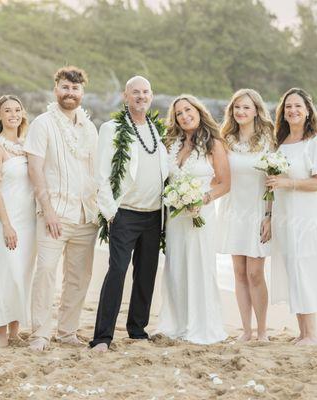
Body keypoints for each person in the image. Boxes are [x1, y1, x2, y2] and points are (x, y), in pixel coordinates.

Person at [90, 76, 168, 352]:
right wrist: (110, 212)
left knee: (146, 274)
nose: (141, 96)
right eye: (135, 92)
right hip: (124, 213)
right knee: (117, 271)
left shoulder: (157, 130)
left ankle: (137, 329)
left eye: (145, 92)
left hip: (153, 214)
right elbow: (101, 173)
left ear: (151, 95)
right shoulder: (112, 128)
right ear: (125, 96)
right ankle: (102, 337)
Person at [24, 66, 99, 351]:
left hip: (85, 215)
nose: (70, 93)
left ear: (82, 92)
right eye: (65, 88)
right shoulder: (43, 124)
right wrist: (48, 210)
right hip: (54, 213)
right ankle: (40, 334)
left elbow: (95, 171)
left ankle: (67, 332)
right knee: (45, 271)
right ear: (56, 89)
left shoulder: (89, 127)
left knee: (79, 278)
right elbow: (35, 169)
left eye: (75, 89)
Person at [266, 88, 317, 346]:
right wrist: (268, 216)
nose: (293, 111)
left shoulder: (314, 142)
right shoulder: (280, 143)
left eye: (298, 106)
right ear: (282, 112)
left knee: (305, 271)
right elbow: (271, 184)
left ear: (308, 111)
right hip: (284, 217)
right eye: (288, 107)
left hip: (306, 219)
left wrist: (288, 183)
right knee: (293, 271)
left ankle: (312, 335)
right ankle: (303, 333)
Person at [157, 94, 230, 344]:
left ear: (199, 111)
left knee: (200, 267)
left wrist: (204, 200)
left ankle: (202, 325)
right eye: (179, 113)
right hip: (175, 216)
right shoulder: (172, 143)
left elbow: (224, 183)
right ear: (175, 118)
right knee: (176, 267)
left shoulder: (214, 143)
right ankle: (177, 324)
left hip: (201, 215)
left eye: (188, 110)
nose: (185, 116)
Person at [217, 89, 275, 341]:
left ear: (256, 111)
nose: (241, 112)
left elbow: (273, 181)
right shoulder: (225, 140)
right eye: (237, 107)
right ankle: (246, 330)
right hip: (232, 212)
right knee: (239, 273)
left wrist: (269, 216)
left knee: (255, 273)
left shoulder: (268, 141)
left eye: (246, 108)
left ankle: (262, 331)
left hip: (257, 213)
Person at [0, 95, 36, 348]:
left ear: (22, 114)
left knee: (23, 274)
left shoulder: (26, 145)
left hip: (28, 220)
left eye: (17, 109)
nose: (13, 114)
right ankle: (0, 330)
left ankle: (15, 330)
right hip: (6, 218)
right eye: (7, 110)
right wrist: (6, 224)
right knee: (6, 272)